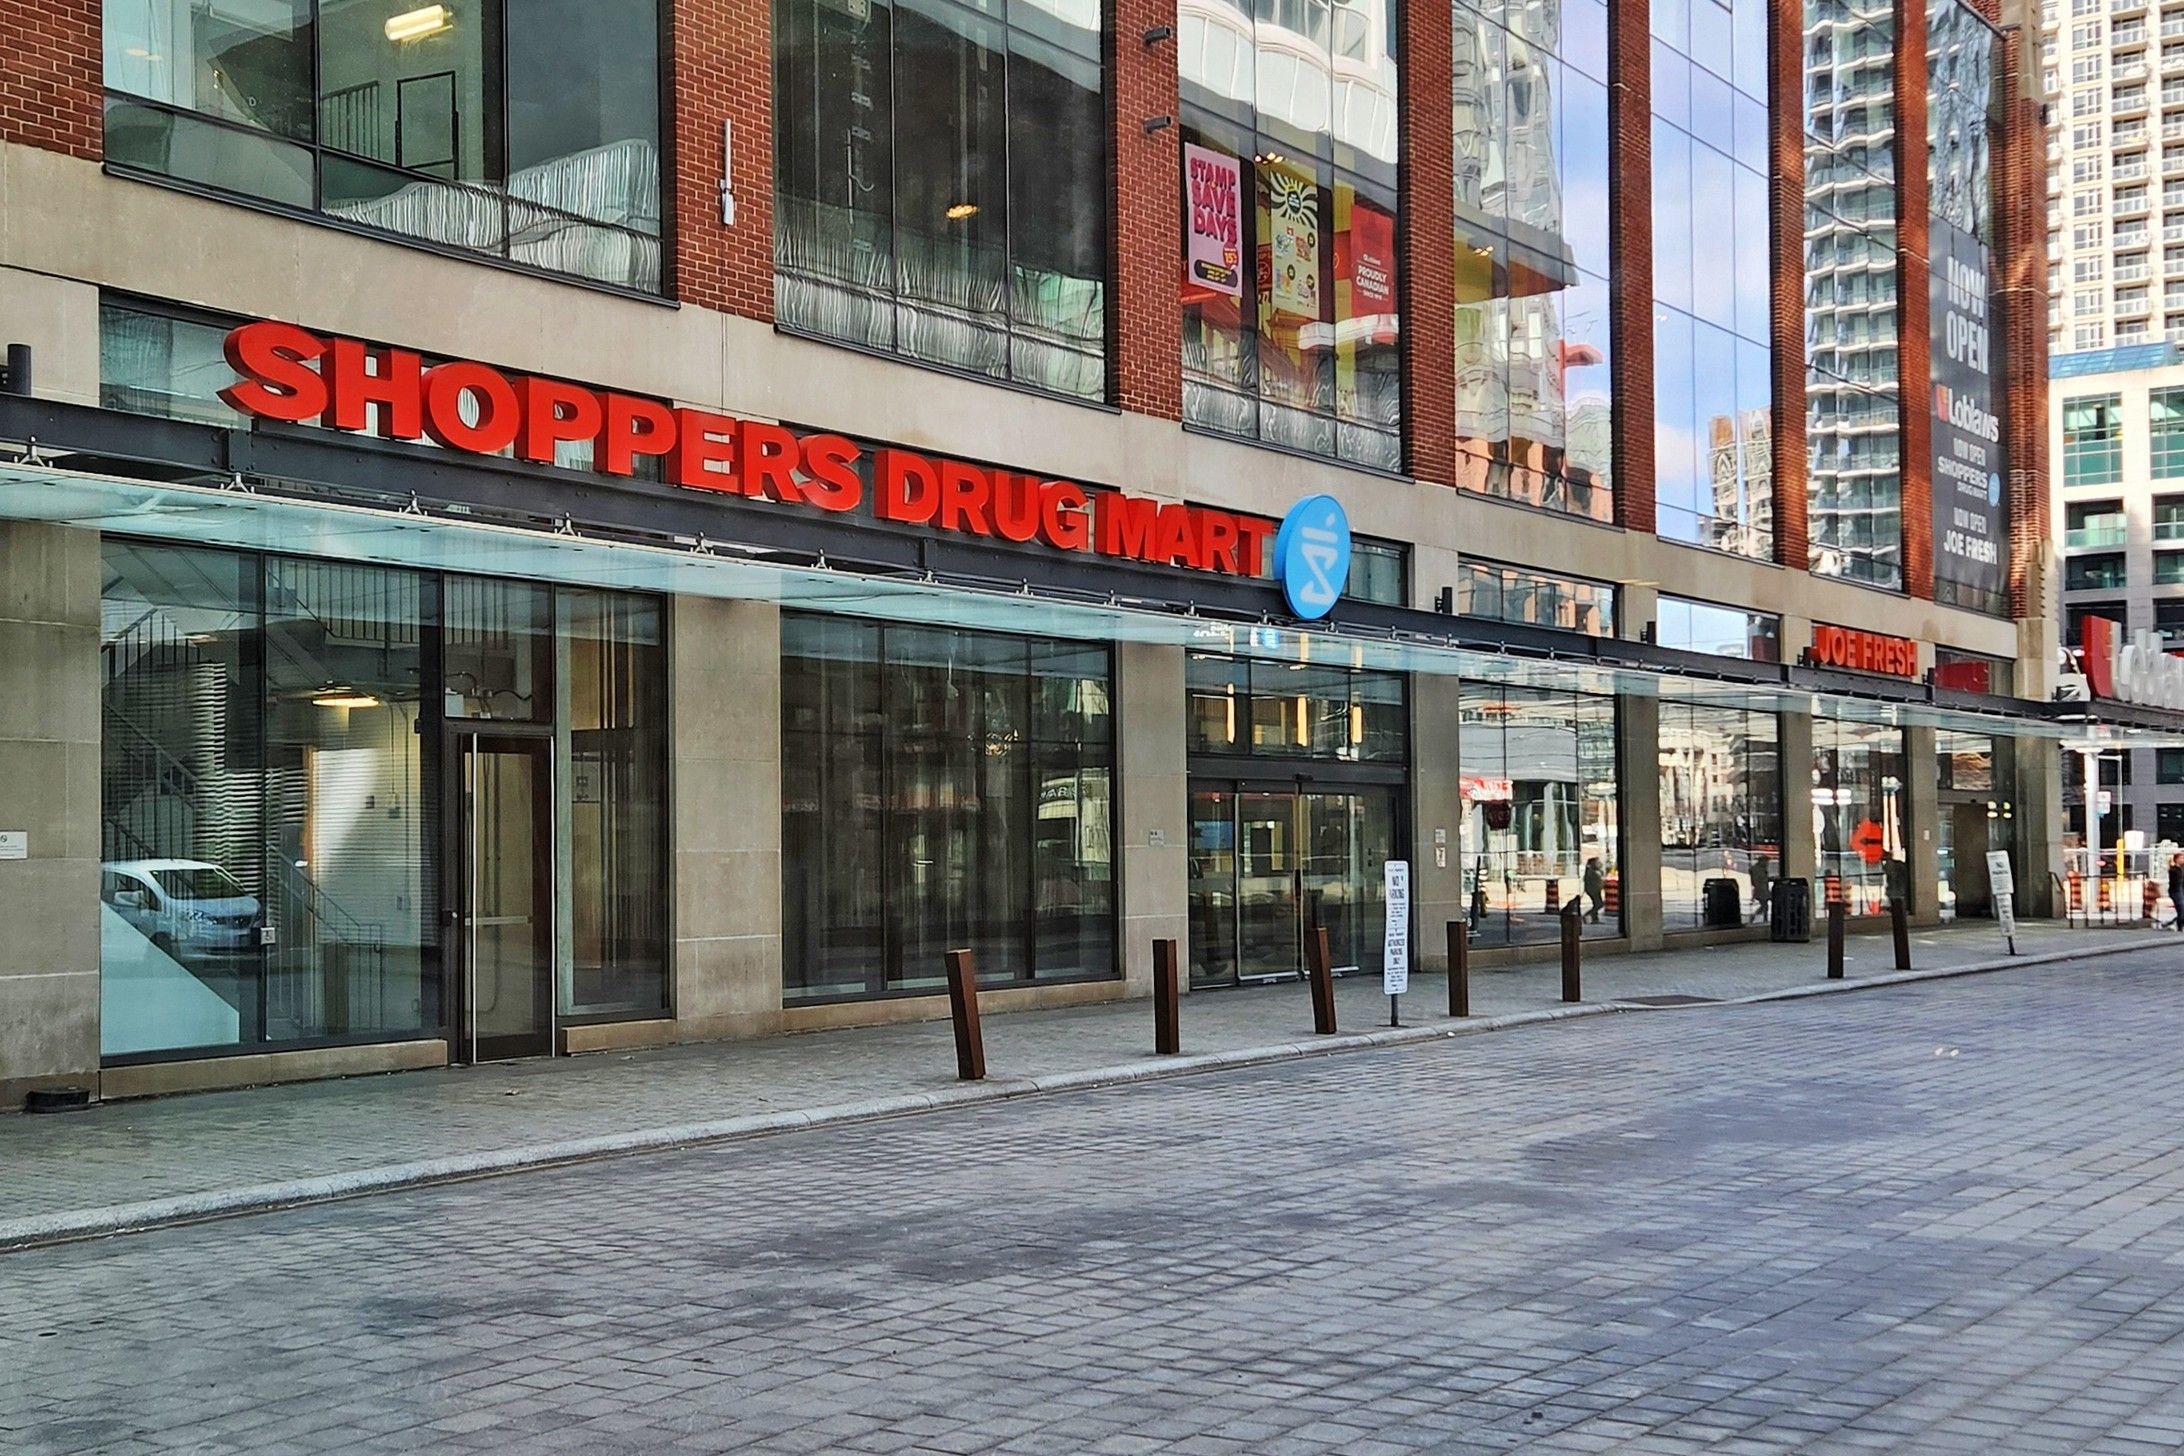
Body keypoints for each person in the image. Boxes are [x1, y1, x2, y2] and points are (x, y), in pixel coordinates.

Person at [1750, 855, 1774, 919]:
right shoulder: (1756, 869)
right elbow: (1757, 880)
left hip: (1764, 889)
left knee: (1765, 906)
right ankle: (1754, 916)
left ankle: (1763, 918)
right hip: (1760, 890)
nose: (1767, 863)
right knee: (1764, 906)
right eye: (1766, 861)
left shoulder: (1762, 869)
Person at [1583, 856, 1605, 924]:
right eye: (1596, 862)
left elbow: (1601, 872)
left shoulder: (1595, 870)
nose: (1598, 863)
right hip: (1593, 890)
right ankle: (1587, 914)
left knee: (1596, 904)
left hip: (1596, 890)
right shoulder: (1590, 870)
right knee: (1599, 904)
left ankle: (1595, 919)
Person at [2167, 854, 2183, 932]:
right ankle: (2179, 925)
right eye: (2181, 858)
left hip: (2181, 890)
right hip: (2176, 891)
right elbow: (2176, 881)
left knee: (2181, 910)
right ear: (2176, 859)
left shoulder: (2181, 869)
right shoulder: (2173, 870)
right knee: (2181, 908)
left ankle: (2174, 923)